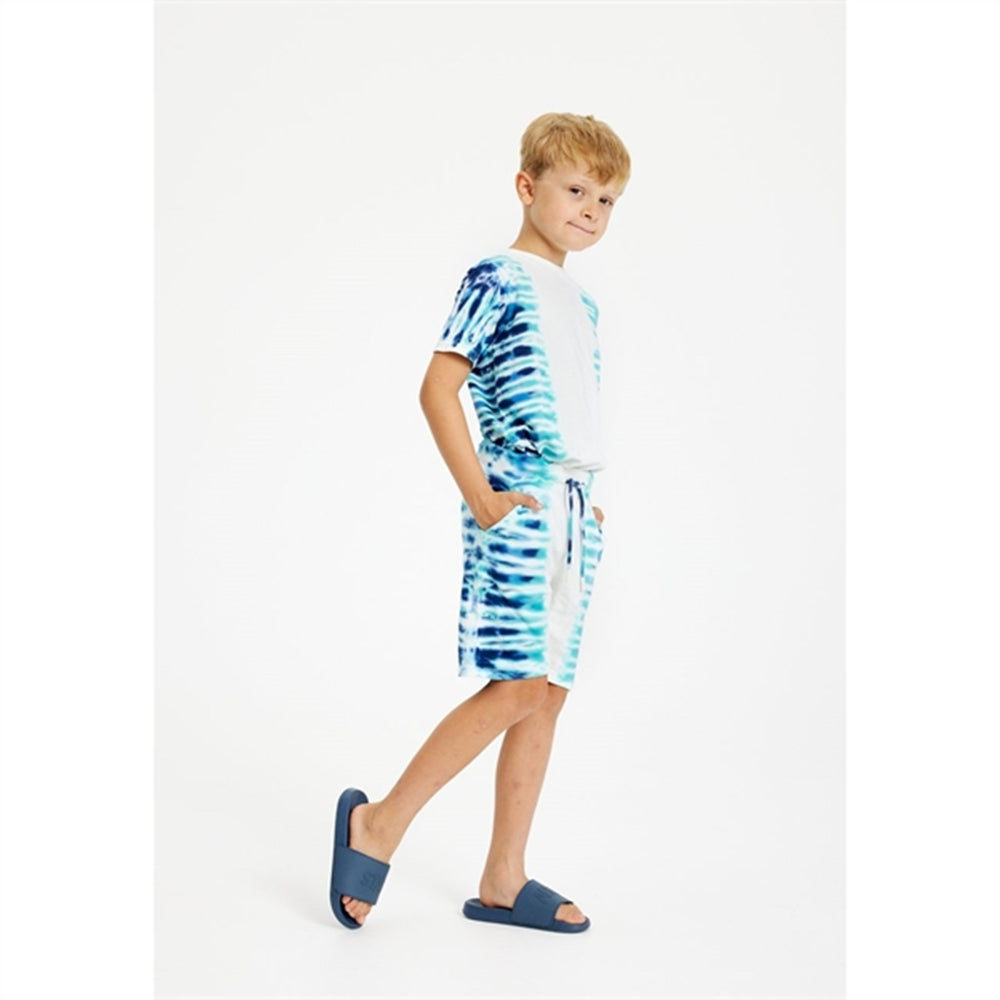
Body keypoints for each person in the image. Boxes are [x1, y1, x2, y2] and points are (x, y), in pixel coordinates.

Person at [329, 111, 630, 934]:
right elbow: (439, 387)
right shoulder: (497, 277)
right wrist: (483, 498)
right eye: (576, 190)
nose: (591, 210)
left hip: (572, 513)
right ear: (528, 187)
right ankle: (378, 823)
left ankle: (504, 876)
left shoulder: (583, 302)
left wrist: (585, 497)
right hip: (519, 503)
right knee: (516, 686)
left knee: (547, 697)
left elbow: (570, 400)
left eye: (606, 200)